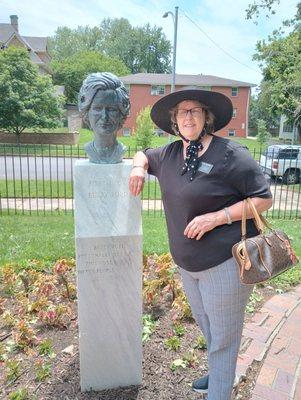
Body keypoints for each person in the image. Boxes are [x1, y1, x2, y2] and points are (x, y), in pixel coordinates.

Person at [129, 89, 272, 400]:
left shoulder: (230, 154)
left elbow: (263, 199)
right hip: (187, 265)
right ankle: (220, 371)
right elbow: (144, 152)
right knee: (208, 326)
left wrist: (217, 217)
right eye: (182, 112)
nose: (189, 116)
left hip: (223, 263)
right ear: (174, 121)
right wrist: (138, 167)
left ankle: (220, 389)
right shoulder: (168, 155)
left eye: (195, 111)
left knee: (223, 337)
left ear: (207, 117)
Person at [78, 72, 130, 164]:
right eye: (97, 108)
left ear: (121, 114)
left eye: (112, 109)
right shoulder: (88, 149)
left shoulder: (120, 151)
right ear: (87, 113)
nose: (104, 116)